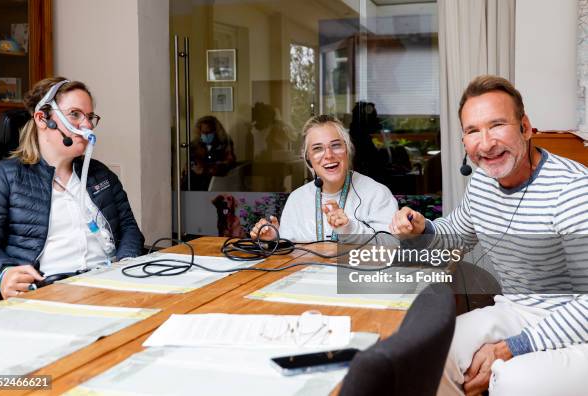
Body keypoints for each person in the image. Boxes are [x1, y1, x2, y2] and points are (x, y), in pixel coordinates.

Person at [389, 75, 588, 395]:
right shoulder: (482, 184)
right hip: (518, 310)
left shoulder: (573, 190)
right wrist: (421, 228)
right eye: (472, 131)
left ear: (525, 127)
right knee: (428, 352)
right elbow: (454, 237)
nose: (486, 142)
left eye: (497, 125)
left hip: (579, 325)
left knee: (513, 380)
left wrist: (514, 347)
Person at [0, 77, 144, 307]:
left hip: (108, 290)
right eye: (75, 114)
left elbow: (129, 229)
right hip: (44, 297)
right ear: (42, 118)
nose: (87, 126)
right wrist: (3, 274)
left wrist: (126, 263)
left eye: (90, 117)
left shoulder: (100, 175)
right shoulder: (2, 178)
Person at [250, 114, 398, 242]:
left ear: (347, 150)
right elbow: (290, 254)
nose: (328, 155)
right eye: (317, 148)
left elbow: (392, 246)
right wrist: (277, 240)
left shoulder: (377, 193)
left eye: (336, 145)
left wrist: (349, 228)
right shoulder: (296, 199)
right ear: (308, 159)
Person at [185, 115, 236, 190]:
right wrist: (192, 166)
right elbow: (190, 162)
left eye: (209, 132)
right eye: (203, 132)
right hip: (194, 182)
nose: (206, 135)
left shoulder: (224, 143)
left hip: (216, 182)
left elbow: (229, 163)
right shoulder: (194, 145)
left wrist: (207, 169)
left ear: (215, 131)